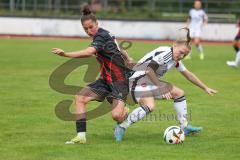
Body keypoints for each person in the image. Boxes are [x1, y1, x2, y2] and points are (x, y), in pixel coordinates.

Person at [114, 28, 218, 142]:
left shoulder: (175, 59)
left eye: (185, 55)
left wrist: (205, 88)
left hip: (148, 81)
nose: (181, 56)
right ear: (174, 45)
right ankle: (121, 126)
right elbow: (149, 70)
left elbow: (188, 75)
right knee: (150, 106)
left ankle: (184, 127)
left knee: (179, 93)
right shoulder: (166, 53)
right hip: (137, 80)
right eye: (181, 52)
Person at [52, 5, 134, 144]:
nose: (89, 31)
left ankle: (124, 111)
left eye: (91, 27)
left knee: (116, 116)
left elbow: (89, 52)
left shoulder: (101, 36)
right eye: (86, 29)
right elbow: (118, 47)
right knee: (80, 97)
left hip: (120, 81)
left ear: (97, 24)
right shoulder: (106, 34)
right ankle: (81, 137)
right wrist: (128, 57)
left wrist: (65, 54)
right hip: (105, 80)